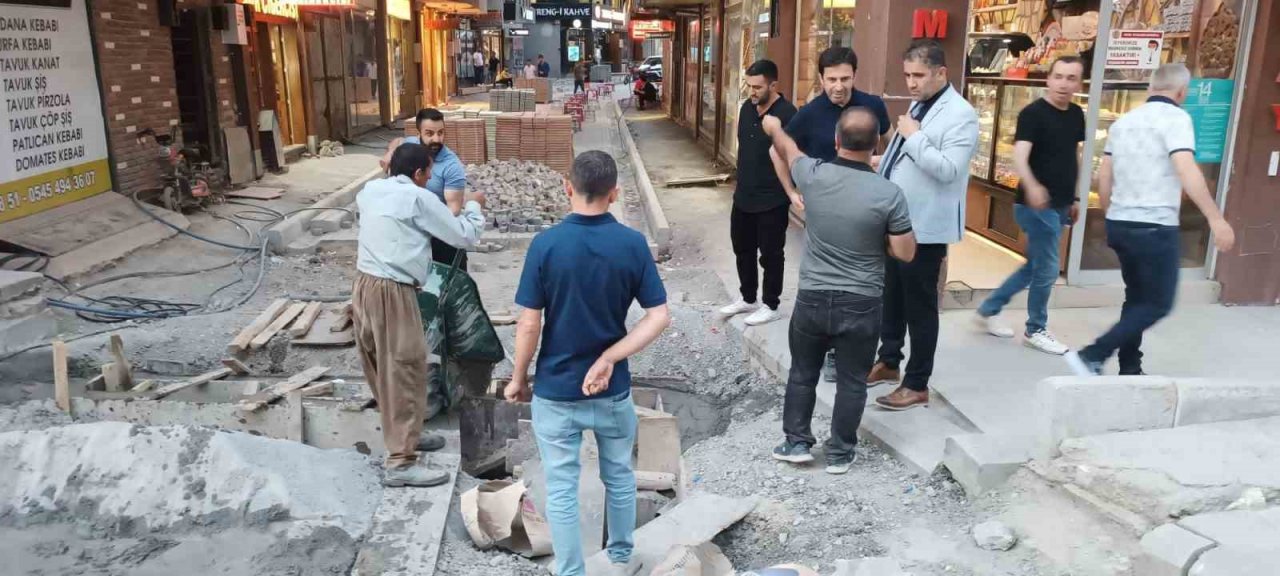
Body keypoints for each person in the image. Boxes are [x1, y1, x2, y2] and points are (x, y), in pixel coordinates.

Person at [505, 151, 671, 576]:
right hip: (611, 389)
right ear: (615, 194)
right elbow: (658, 315)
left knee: (561, 487)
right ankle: (620, 557)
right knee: (618, 476)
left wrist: (519, 378)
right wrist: (611, 357)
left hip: (557, 391)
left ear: (567, 187)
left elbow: (529, 324)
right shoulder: (632, 244)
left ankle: (571, 572)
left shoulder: (545, 245)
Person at [762, 107, 916, 473]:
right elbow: (905, 253)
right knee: (851, 381)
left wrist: (775, 126)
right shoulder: (889, 193)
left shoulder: (812, 174)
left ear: (836, 140)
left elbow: (787, 147)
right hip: (862, 303)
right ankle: (840, 453)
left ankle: (797, 442)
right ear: (877, 144)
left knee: (803, 373)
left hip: (813, 297)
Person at [1066, 64, 1235, 377]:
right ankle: (1093, 354)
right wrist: (1215, 218)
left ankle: (1130, 366)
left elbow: (1104, 176)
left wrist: (1111, 213)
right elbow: (1186, 170)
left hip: (1121, 222)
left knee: (1138, 298)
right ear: (1182, 92)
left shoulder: (1124, 122)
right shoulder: (1177, 119)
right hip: (1154, 226)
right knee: (1158, 303)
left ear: (1151, 88)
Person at [353, 143, 485, 487]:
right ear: (418, 174)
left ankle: (406, 434)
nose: (429, 179)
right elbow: (463, 235)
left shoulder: (369, 191)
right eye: (427, 173)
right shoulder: (417, 197)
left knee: (382, 366)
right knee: (406, 369)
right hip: (393, 291)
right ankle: (400, 463)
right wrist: (473, 205)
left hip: (364, 285)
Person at [769, 46, 891, 381]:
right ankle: (824, 349)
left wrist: (885, 169)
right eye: (832, 79)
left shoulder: (873, 106)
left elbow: (891, 147)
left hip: (867, 208)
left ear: (855, 76)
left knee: (864, 282)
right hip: (823, 212)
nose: (839, 86)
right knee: (823, 282)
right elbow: (776, 150)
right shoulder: (810, 113)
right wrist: (791, 193)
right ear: (821, 79)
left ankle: (852, 351)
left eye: (846, 79)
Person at [872, 39, 979, 411]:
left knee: (919, 306)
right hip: (897, 222)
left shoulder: (961, 114)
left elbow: (949, 170)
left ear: (940, 73)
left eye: (919, 75)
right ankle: (889, 361)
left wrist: (914, 136)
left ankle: (917, 383)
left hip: (925, 226)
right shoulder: (921, 103)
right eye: (907, 75)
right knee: (892, 296)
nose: (911, 83)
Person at [974, 56, 1086, 355]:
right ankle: (1036, 328)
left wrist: (1075, 197)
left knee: (1036, 265)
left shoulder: (1076, 114)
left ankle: (990, 306)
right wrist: (1034, 186)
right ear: (1048, 79)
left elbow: (1073, 156)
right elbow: (1020, 156)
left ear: (1079, 83)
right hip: (1035, 205)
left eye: (1071, 78)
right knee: (1048, 268)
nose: (1064, 83)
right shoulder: (1032, 114)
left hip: (1061, 203)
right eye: (1059, 76)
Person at [719, 59, 798, 327]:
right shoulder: (746, 108)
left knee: (771, 254)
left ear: (773, 85)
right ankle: (748, 298)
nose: (752, 91)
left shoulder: (788, 114)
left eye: (758, 87)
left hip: (772, 199)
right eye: (749, 85)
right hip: (743, 196)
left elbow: (792, 156)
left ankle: (771, 304)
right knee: (742, 248)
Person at [380, 108, 472, 271]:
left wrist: (423, 227)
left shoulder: (451, 166)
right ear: (419, 133)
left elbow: (453, 211)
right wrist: (391, 152)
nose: (437, 139)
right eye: (429, 133)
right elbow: (399, 141)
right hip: (408, 237)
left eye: (441, 133)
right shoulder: (411, 145)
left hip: (441, 239)